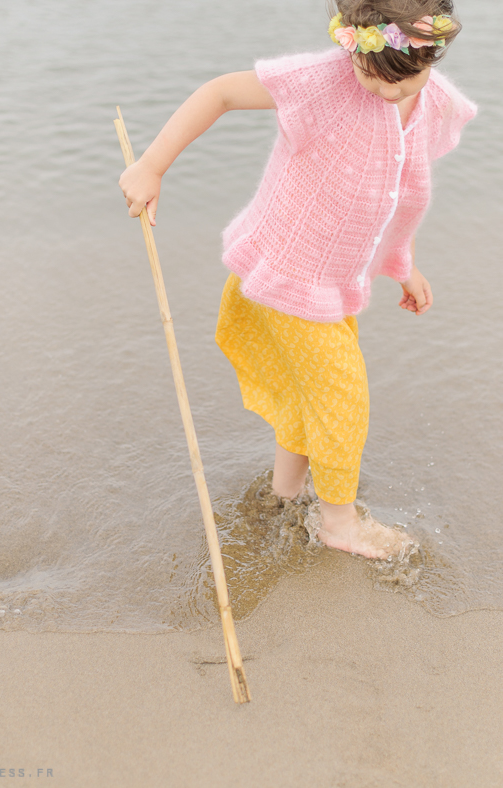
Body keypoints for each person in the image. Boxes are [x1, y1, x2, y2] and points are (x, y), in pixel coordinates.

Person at [118, 0, 476, 560]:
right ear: (350, 45)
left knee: (311, 391)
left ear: (434, 54)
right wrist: (152, 166)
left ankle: (285, 493)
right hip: (287, 272)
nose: (385, 93)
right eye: (370, 75)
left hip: (330, 284)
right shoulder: (324, 82)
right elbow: (221, 93)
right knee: (341, 397)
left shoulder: (432, 102)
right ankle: (339, 523)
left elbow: (391, 198)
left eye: (403, 82)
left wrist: (401, 264)